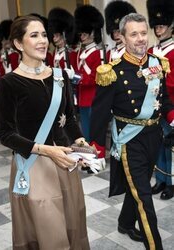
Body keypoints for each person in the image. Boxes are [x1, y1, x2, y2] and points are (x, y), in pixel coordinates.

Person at [0, 15, 90, 249]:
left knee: (73, 224)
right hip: (33, 164)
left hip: (65, 161)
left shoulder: (60, 76)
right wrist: (47, 150)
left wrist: (81, 143)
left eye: (44, 35)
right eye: (34, 35)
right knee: (48, 231)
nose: (42, 41)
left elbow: (69, 117)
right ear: (19, 44)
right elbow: (6, 134)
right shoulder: (9, 83)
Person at [90, 13, 174, 250]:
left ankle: (125, 223)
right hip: (129, 140)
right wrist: (96, 148)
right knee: (144, 198)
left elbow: (164, 100)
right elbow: (99, 113)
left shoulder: (157, 63)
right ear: (123, 37)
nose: (140, 39)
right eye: (133, 34)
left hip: (154, 136)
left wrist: (172, 119)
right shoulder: (112, 71)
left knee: (138, 187)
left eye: (143, 33)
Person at [147, 0, 174, 200]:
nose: (158, 29)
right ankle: (161, 179)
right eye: (156, 26)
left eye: (162, 25)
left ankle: (171, 183)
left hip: (170, 104)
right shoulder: (152, 50)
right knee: (157, 144)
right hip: (153, 105)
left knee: (170, 147)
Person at [74, 5, 104, 143]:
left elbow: (94, 77)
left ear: (92, 33)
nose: (82, 37)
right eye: (81, 34)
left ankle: (95, 158)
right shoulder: (81, 52)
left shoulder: (97, 52)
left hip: (92, 97)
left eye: (85, 34)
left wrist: (78, 79)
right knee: (85, 130)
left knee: (93, 131)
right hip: (82, 97)